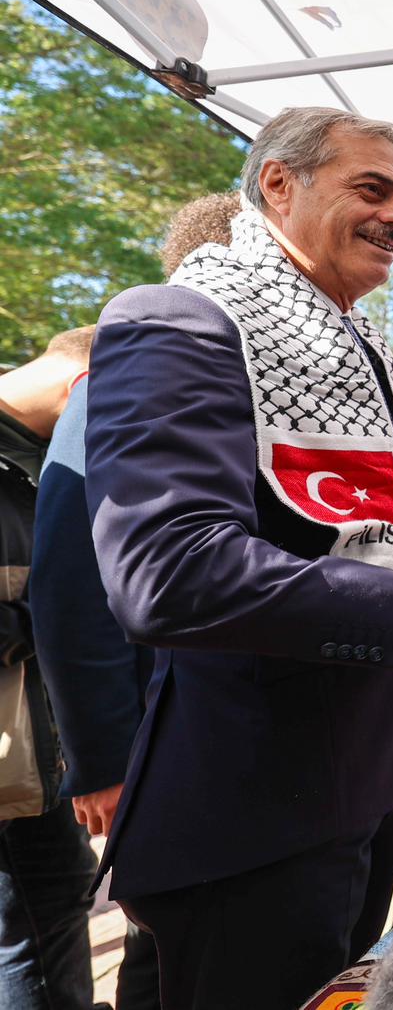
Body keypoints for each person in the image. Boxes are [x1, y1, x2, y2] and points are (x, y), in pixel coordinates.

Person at [84, 107, 393, 1010]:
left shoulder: (352, 347)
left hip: (374, 779)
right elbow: (167, 571)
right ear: (279, 183)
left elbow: (373, 540)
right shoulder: (174, 322)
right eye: (372, 188)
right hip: (263, 809)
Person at [29, 192, 239, 1010]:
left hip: (227, 733)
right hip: (161, 734)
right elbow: (68, 579)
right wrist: (106, 758)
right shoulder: (127, 373)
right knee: (170, 949)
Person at [0, 327, 96, 1010]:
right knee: (34, 917)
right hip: (14, 761)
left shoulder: (32, 457)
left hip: (36, 753)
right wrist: (55, 612)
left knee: (52, 900)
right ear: (82, 387)